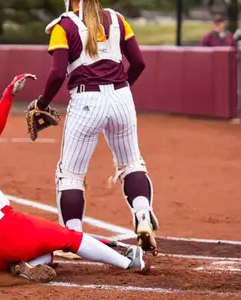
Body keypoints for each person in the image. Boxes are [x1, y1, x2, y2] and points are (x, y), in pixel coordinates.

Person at [0, 73, 150, 283]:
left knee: (46, 251)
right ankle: (129, 262)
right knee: (70, 238)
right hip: (6, 231)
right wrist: (8, 96)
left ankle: (23, 264)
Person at [29, 0, 159, 256]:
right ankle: (143, 214)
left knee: (71, 174)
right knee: (131, 163)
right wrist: (122, 88)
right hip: (122, 95)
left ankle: (72, 237)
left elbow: (57, 74)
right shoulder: (118, 19)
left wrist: (42, 103)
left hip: (86, 99)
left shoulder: (64, 25)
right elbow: (139, 62)